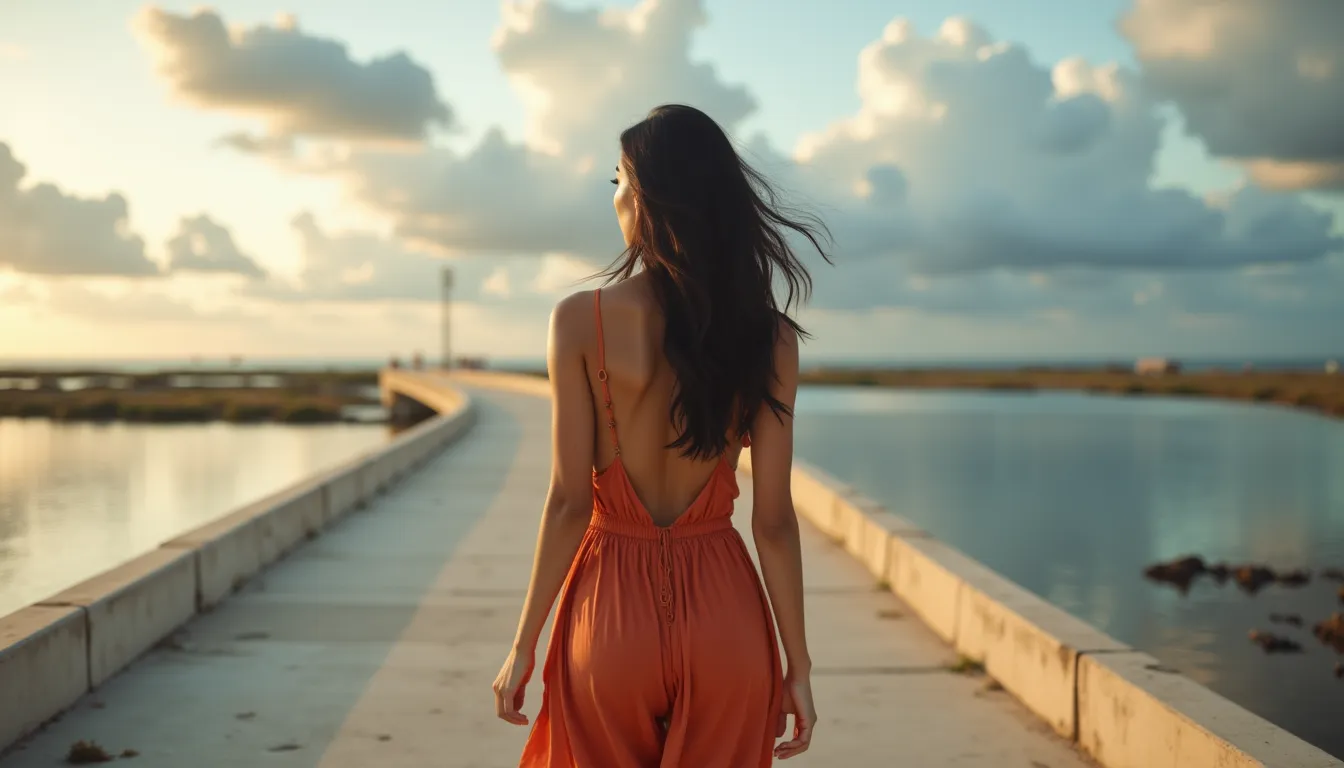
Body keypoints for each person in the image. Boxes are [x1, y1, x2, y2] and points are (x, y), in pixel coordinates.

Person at [492, 103, 832, 766]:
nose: (614, 197)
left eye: (617, 180)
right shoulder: (770, 339)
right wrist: (799, 665)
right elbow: (774, 522)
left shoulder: (578, 320)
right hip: (726, 624)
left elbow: (569, 500)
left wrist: (523, 644)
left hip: (607, 621)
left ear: (646, 199)